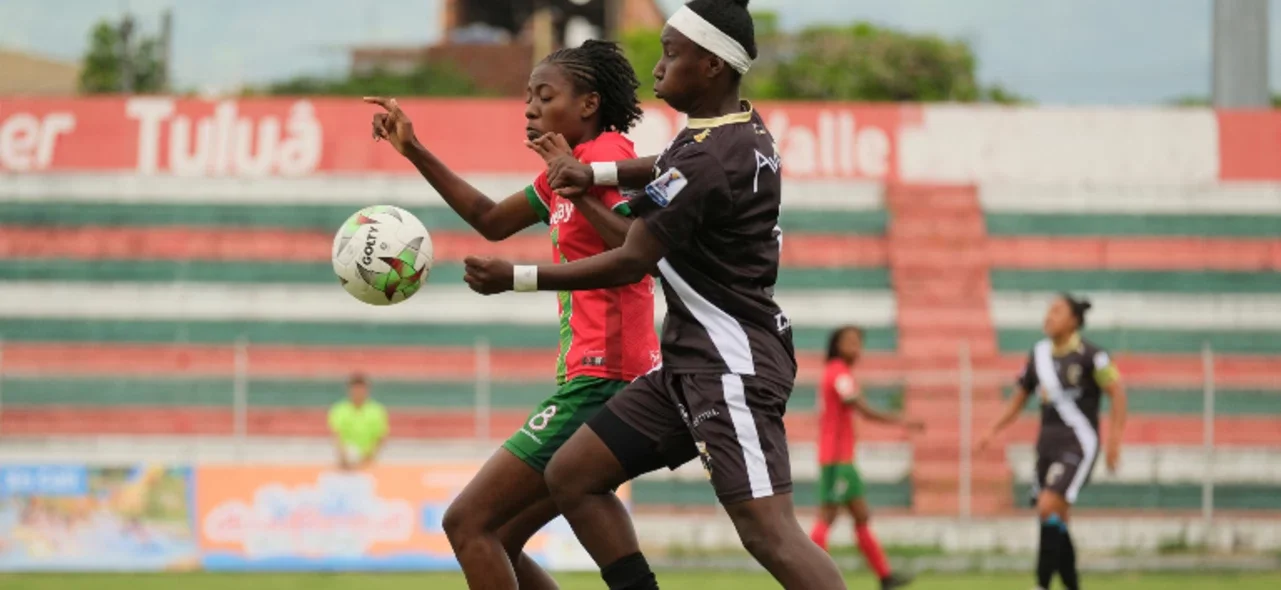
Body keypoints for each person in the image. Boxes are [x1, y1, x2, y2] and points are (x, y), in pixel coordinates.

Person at [465, 1, 849, 588]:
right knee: (573, 474)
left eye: (672, 53)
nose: (659, 65)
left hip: (730, 364)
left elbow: (633, 257)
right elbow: (660, 166)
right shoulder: (729, 132)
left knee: (767, 531)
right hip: (684, 366)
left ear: (713, 64)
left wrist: (514, 277)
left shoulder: (709, 158)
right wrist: (589, 175)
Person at [365, 40, 659, 590]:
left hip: (605, 375)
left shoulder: (605, 156)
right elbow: (490, 219)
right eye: (527, 97)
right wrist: (415, 149)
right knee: (496, 535)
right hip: (591, 373)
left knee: (467, 523)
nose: (529, 108)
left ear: (589, 103)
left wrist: (571, 183)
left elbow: (637, 252)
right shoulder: (564, 173)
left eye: (544, 96)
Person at [977, 294, 1128, 590]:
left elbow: (1118, 394)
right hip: (1046, 445)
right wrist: (991, 430)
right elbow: (1018, 399)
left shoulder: (1092, 356)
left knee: (1047, 506)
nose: (1049, 317)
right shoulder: (1039, 355)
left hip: (1078, 443)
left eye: (1057, 311)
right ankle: (1072, 586)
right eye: (1048, 311)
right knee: (1056, 517)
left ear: (1074, 320)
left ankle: (1041, 585)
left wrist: (1114, 442)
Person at [810, 326, 921, 590]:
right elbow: (858, 406)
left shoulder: (838, 372)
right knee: (828, 516)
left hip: (839, 457)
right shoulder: (838, 372)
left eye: (859, 342)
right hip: (838, 459)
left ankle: (885, 577)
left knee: (860, 515)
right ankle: (806, 574)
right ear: (836, 345)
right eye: (850, 341)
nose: (856, 347)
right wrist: (900, 420)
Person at [328, 374, 389, 470]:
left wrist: (368, 456)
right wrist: (344, 456)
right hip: (345, 461)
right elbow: (336, 435)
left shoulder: (377, 410)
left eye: (361, 389)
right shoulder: (339, 409)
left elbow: (381, 437)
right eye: (355, 389)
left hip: (369, 461)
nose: (358, 392)